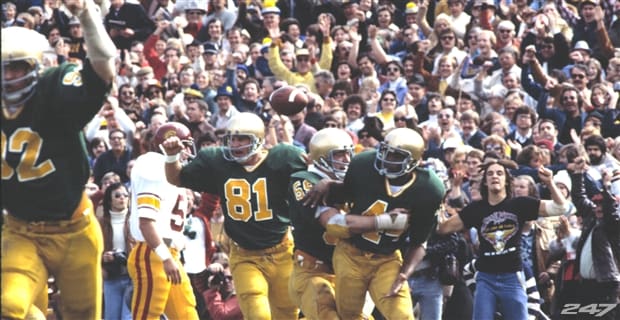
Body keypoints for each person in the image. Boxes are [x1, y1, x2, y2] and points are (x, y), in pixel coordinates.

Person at [1, 0, 116, 317]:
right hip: (20, 230)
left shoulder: (54, 87)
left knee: (83, 313)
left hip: (74, 229)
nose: (9, 76)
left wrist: (87, 16)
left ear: (36, 67)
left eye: (18, 67)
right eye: (3, 68)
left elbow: (104, 67)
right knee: (8, 306)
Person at [163, 112, 305, 319]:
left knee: (287, 312)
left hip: (282, 249)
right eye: (232, 139)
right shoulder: (218, 162)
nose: (235, 144)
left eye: (242, 139)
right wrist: (171, 156)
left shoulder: (281, 158)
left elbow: (310, 174)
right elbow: (176, 177)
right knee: (258, 313)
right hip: (245, 255)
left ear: (258, 140)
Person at [305, 128, 445, 319]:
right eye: (385, 151)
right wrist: (328, 183)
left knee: (402, 316)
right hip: (351, 254)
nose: (387, 159)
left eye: (396, 156)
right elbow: (346, 195)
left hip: (386, 259)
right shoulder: (364, 164)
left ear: (415, 160)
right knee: (349, 316)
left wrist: (404, 274)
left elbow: (420, 242)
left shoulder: (429, 189)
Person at [288, 128, 410, 319]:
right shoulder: (304, 181)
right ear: (320, 155)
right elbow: (337, 226)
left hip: (350, 273)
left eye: (348, 153)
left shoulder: (354, 182)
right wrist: (385, 221)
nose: (346, 159)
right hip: (314, 271)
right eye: (339, 154)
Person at [437, 158, 571, 320]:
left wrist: (550, 182)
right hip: (486, 278)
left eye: (499, 173)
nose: (495, 176)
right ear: (485, 182)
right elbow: (443, 228)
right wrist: (436, 203)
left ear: (507, 180)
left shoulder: (520, 204)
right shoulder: (476, 209)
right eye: (490, 174)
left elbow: (560, 207)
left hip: (512, 277)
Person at [127, 122, 199, 320]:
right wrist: (165, 257)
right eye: (182, 146)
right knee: (146, 315)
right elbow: (146, 221)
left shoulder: (171, 171)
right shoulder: (153, 166)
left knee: (187, 313)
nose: (186, 151)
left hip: (169, 253)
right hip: (154, 253)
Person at [98, 182, 134, 320]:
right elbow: (94, 251)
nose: (122, 198)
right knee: (111, 317)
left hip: (133, 277)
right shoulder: (100, 223)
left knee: (128, 317)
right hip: (111, 277)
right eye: (117, 195)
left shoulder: (135, 221)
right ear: (109, 200)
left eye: (126, 195)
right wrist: (103, 257)